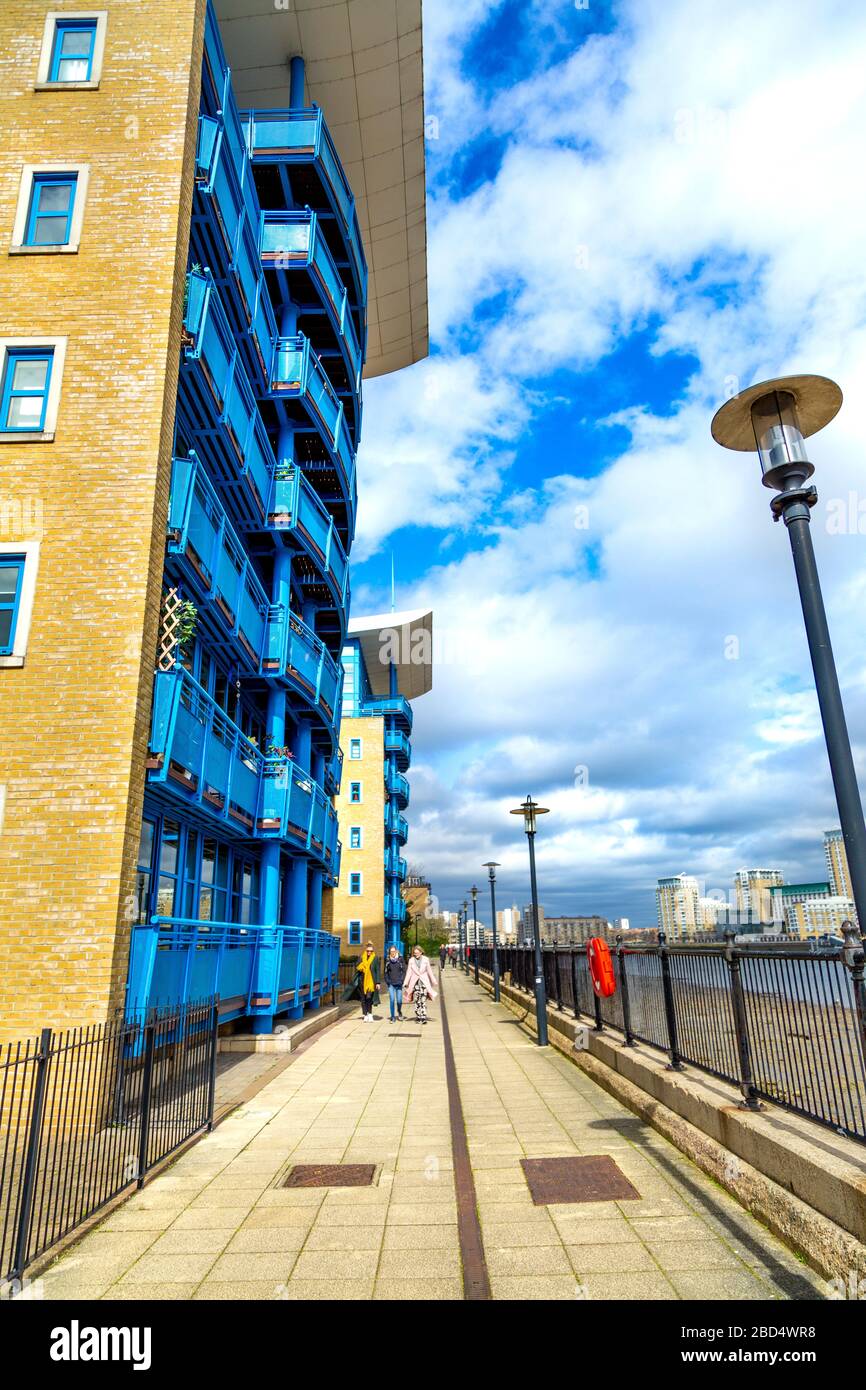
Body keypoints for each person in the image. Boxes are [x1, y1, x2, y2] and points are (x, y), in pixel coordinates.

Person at [402, 944, 438, 1025]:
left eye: (417, 953)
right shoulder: (411, 960)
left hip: (424, 983)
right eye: (415, 953)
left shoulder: (426, 960)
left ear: (421, 952)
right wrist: (406, 982)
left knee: (423, 1000)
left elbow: (429, 971)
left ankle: (423, 1017)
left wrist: (434, 981)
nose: (416, 954)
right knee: (417, 1001)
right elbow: (408, 973)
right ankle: (418, 1016)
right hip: (415, 984)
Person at [354, 941, 379, 1022]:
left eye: (371, 951)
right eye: (368, 951)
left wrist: (378, 982)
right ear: (365, 950)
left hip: (371, 982)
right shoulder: (361, 957)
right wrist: (362, 967)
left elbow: (377, 970)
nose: (369, 952)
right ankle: (365, 1015)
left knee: (369, 998)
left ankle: (370, 1014)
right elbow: (357, 966)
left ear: (373, 951)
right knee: (363, 999)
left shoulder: (375, 958)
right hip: (362, 981)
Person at [384, 944, 406, 1022]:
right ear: (389, 952)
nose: (392, 953)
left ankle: (399, 1012)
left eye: (394, 951)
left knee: (399, 1000)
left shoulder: (400, 959)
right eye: (391, 951)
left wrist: (402, 980)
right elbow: (386, 972)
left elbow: (404, 971)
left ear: (396, 951)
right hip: (391, 984)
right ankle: (393, 1017)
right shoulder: (387, 960)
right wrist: (388, 981)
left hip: (399, 983)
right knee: (392, 1000)